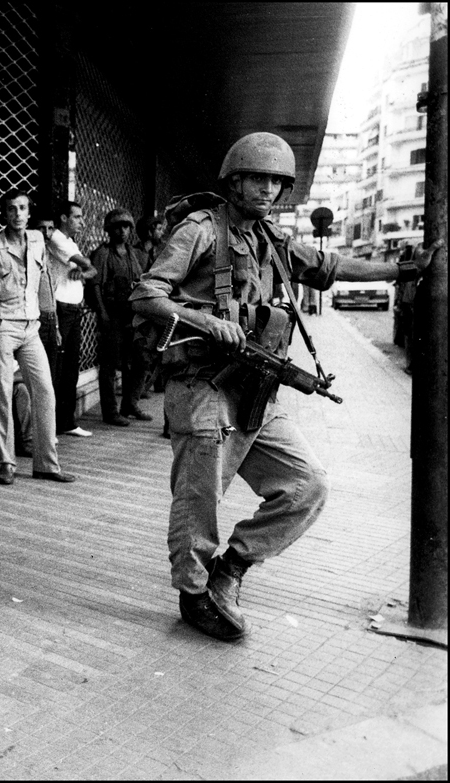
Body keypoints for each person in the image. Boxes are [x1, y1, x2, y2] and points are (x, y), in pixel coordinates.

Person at [130, 131, 441, 643]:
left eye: (276, 181)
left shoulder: (272, 241)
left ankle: (231, 568)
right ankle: (193, 595)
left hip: (255, 388)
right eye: (257, 178)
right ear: (233, 181)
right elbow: (146, 295)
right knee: (199, 497)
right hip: (203, 385)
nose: (267, 189)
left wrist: (405, 268)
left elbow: (331, 267)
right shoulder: (201, 229)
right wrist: (207, 322)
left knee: (308, 486)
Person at [0, 189, 76, 486]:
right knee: (3, 394)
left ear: (29, 213)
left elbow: (43, 282)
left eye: (22, 209)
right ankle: (5, 462)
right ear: (3, 214)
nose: (17, 214)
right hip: (2, 324)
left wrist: (50, 320)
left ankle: (46, 464)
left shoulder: (38, 240)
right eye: (11, 209)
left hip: (31, 327)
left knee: (44, 391)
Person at [88, 208, 152, 426]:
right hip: (112, 314)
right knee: (109, 364)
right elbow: (95, 284)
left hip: (132, 315)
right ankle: (110, 411)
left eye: (126, 226)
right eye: (118, 227)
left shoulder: (135, 255)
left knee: (140, 361)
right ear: (109, 230)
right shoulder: (102, 254)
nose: (122, 231)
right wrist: (102, 313)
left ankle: (130, 403)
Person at [38, 202, 97, 438]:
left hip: (74, 309)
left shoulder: (71, 243)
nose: (82, 222)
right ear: (64, 218)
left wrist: (85, 272)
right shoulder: (57, 239)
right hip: (60, 309)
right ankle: (50, 425)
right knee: (58, 368)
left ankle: (67, 422)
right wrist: (85, 269)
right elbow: (87, 265)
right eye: (77, 217)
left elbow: (92, 271)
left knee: (71, 368)